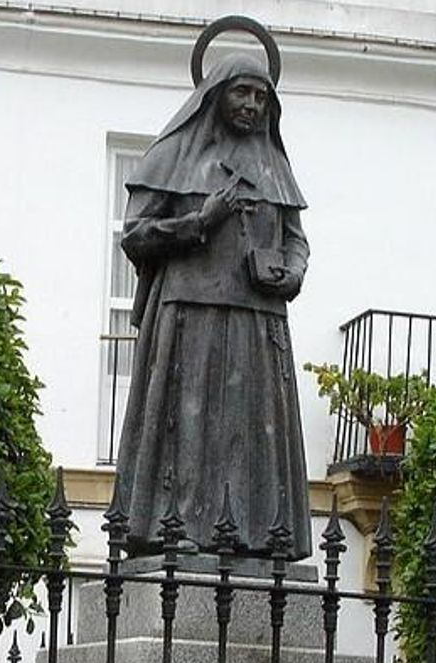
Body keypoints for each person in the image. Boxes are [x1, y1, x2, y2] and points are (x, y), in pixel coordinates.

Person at [111, 51, 313, 560]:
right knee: (188, 426)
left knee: (252, 433)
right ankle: (175, 528)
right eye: (241, 92)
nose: (251, 104)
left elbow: (295, 239)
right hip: (188, 314)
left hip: (259, 319)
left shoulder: (274, 165)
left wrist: (292, 271)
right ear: (215, 94)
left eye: (261, 96)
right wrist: (201, 220)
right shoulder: (172, 154)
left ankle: (257, 534)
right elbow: (135, 235)